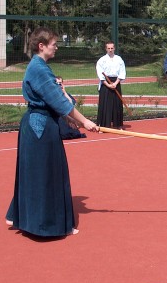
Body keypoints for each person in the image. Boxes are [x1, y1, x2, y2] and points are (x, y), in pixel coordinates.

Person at [5, 27, 98, 237]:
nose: (56, 47)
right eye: (54, 44)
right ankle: (44, 224)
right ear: (42, 46)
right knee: (45, 174)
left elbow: (53, 100)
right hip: (40, 128)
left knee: (38, 172)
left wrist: (69, 118)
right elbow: (58, 100)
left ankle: (23, 216)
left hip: (42, 124)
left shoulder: (40, 66)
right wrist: (84, 121)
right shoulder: (39, 68)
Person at [95, 41, 126, 129]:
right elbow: (100, 74)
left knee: (117, 104)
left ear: (114, 48)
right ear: (106, 49)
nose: (110, 50)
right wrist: (108, 85)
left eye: (112, 48)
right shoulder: (102, 60)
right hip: (105, 83)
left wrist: (116, 83)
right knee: (105, 105)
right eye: (108, 48)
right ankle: (104, 125)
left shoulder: (119, 59)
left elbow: (122, 72)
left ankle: (117, 125)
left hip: (116, 82)